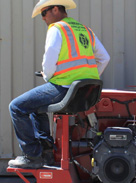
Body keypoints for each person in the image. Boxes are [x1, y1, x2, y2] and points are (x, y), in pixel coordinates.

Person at [8, 0, 110, 169]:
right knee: (34, 105)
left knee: (17, 107)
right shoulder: (84, 30)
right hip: (84, 91)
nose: (43, 18)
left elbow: (49, 61)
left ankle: (32, 155)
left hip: (63, 87)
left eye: (44, 13)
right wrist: (85, 80)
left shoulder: (57, 28)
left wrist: (48, 77)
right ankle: (47, 152)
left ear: (55, 9)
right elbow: (105, 58)